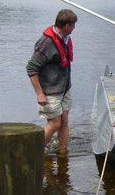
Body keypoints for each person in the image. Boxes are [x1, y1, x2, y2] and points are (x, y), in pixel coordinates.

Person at [26, 9, 77, 154]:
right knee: (55, 123)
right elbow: (31, 69)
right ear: (67, 25)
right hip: (50, 92)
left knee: (64, 121)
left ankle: (62, 153)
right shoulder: (46, 43)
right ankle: (33, 152)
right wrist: (39, 93)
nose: (74, 28)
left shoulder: (65, 39)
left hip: (64, 89)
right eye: (73, 25)